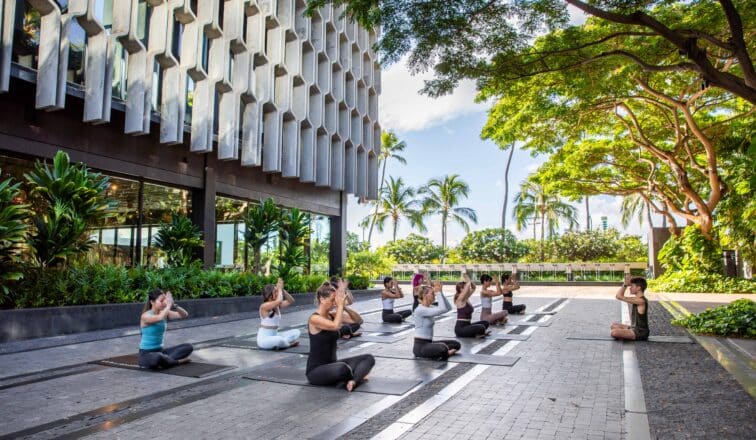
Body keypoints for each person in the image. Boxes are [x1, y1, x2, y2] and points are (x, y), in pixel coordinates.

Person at [306, 280, 375, 391]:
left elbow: (358, 321)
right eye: (332, 300)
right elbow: (335, 326)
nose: (334, 303)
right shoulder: (314, 319)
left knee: (368, 358)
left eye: (336, 300)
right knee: (343, 368)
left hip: (333, 365)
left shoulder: (333, 315)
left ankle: (353, 381)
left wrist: (345, 307)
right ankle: (356, 376)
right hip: (316, 371)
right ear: (322, 299)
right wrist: (340, 307)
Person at [138, 289, 193, 369]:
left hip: (161, 351)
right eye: (161, 300)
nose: (164, 302)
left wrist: (174, 305)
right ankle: (176, 362)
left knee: (188, 347)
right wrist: (168, 306)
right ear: (152, 302)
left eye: (165, 300)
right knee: (157, 357)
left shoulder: (165, 313)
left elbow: (184, 315)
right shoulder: (145, 316)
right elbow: (159, 318)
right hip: (146, 354)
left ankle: (166, 361)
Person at [413, 280, 461, 360]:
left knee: (456, 344)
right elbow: (442, 308)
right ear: (425, 295)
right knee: (443, 348)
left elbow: (448, 308)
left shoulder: (430, 307)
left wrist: (441, 292)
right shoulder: (420, 310)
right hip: (420, 347)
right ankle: (446, 353)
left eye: (434, 294)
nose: (434, 296)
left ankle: (442, 351)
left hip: (428, 343)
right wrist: (438, 292)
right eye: (432, 294)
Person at [256, 278, 300, 350]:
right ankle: (287, 344)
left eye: (277, 291)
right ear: (270, 295)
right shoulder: (264, 306)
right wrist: (279, 289)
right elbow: (279, 300)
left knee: (296, 332)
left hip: (275, 335)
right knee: (279, 340)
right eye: (275, 292)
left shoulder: (277, 305)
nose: (278, 293)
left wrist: (282, 290)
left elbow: (291, 301)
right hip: (264, 340)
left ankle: (280, 344)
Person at [610, 275, 649, 340]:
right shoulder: (637, 299)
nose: (630, 288)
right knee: (613, 325)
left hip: (640, 332)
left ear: (638, 288)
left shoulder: (640, 301)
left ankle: (628, 334)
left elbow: (619, 296)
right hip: (634, 328)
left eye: (632, 286)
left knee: (614, 332)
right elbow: (619, 296)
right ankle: (627, 333)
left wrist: (625, 284)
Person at [453, 273, 491, 338]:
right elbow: (467, 287)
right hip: (460, 329)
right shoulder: (459, 300)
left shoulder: (466, 298)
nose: (468, 289)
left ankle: (476, 333)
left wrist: (469, 280)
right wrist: (468, 281)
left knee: (485, 323)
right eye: (465, 288)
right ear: (461, 289)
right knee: (481, 327)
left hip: (468, 325)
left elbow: (474, 287)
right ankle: (477, 333)